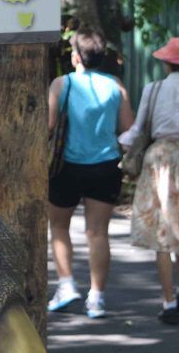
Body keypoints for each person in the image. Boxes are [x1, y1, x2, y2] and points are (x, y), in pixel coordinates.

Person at [118, 36, 179, 324]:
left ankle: (168, 302)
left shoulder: (154, 88)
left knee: (163, 228)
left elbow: (137, 131)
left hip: (161, 158)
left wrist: (118, 144)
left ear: (167, 63)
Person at [47, 28, 135, 318]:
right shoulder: (116, 86)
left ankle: (66, 284)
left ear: (75, 57)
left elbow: (48, 127)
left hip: (67, 167)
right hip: (106, 166)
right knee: (98, 233)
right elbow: (128, 129)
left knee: (59, 227)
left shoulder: (63, 84)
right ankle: (96, 298)